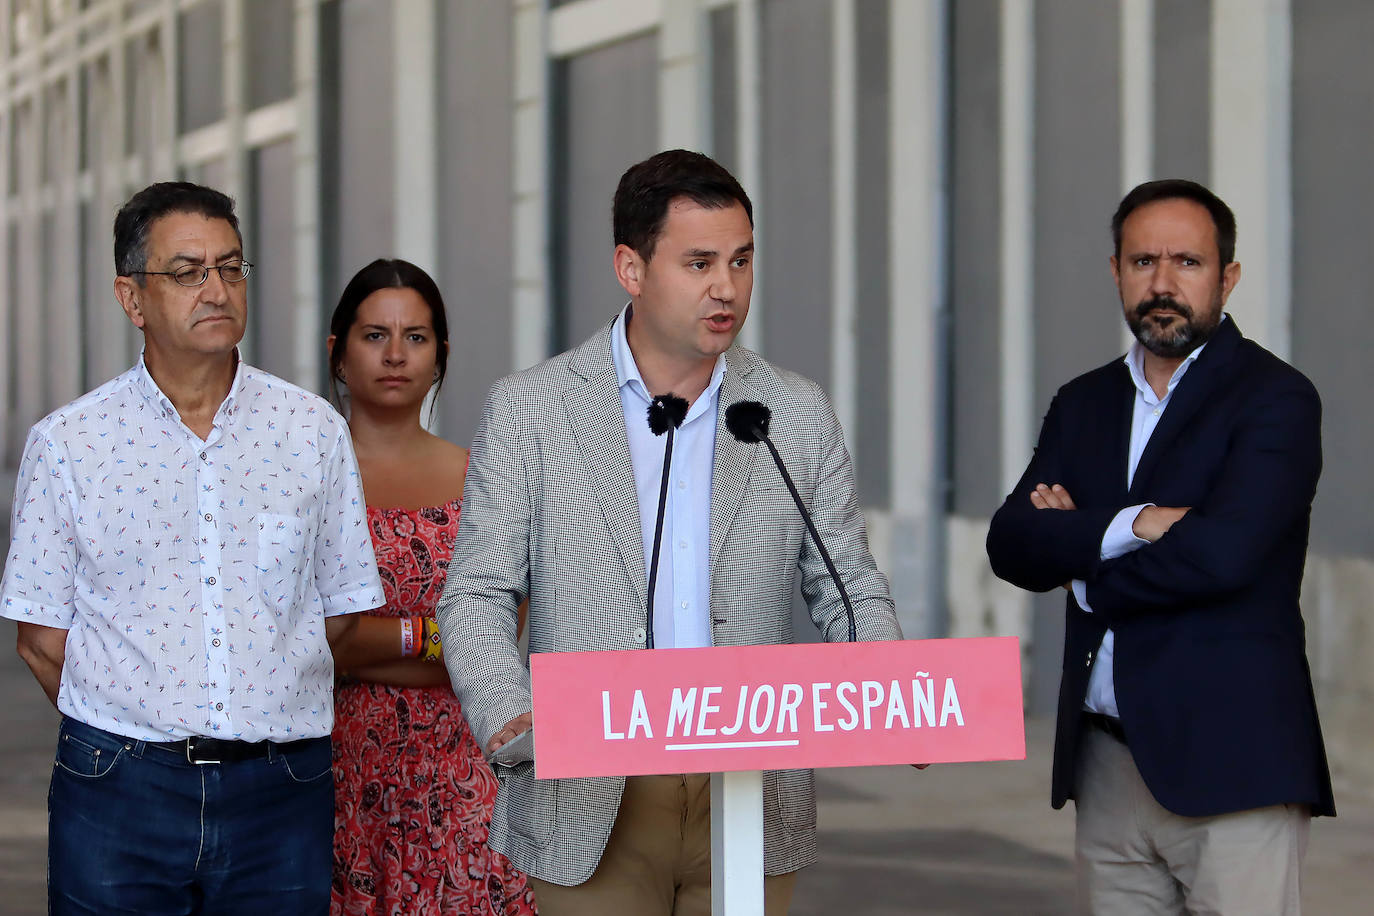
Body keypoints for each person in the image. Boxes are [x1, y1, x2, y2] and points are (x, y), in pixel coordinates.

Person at [435, 149, 902, 915]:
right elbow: (478, 593)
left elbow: (846, 580)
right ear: (631, 268)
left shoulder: (795, 411)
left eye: (741, 260)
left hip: (751, 789)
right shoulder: (532, 408)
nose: (727, 288)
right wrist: (507, 710)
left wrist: (891, 695)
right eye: (699, 263)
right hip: (590, 792)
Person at [0, 181, 385, 914]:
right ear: (132, 298)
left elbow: (337, 612)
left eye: (230, 267)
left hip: (282, 788)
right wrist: (135, 731)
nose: (216, 289)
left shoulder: (310, 431)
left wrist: (261, 695)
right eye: (187, 272)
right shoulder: (70, 443)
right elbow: (41, 639)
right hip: (119, 787)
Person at [986, 179, 1334, 914]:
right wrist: (1137, 523)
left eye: (1188, 262)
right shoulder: (1084, 402)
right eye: (1144, 262)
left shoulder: (1275, 399)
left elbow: (1224, 556)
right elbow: (1012, 543)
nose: (1163, 284)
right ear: (1116, 270)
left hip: (1233, 765)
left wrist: (1083, 566)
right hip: (1106, 766)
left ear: (1227, 277)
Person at [324, 258, 537, 916]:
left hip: (462, 777)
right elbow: (303, 640)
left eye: (415, 337)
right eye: (375, 335)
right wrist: (432, 638)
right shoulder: (304, 478)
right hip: (328, 775)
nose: (396, 355)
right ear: (338, 353)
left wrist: (365, 644)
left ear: (441, 355)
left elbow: (494, 641)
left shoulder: (483, 479)